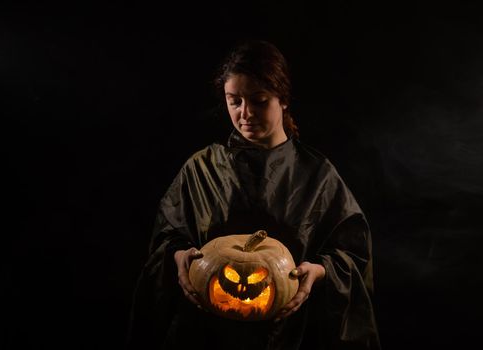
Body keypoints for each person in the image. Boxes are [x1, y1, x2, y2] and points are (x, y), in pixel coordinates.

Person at [126, 39, 381, 350]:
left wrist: (320, 271)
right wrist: (178, 257)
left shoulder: (318, 175)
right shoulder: (202, 168)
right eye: (234, 101)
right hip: (207, 335)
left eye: (259, 100)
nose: (245, 113)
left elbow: (351, 256)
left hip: (291, 336)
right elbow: (168, 238)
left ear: (283, 99)